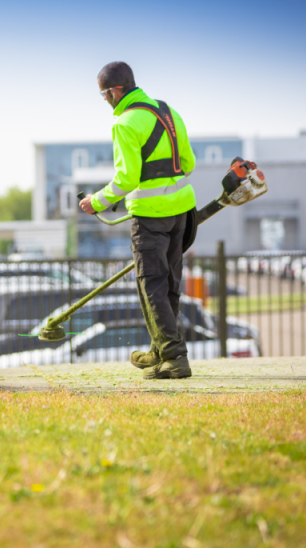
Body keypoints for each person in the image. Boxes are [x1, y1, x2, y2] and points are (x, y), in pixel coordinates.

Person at [79, 61, 197, 379]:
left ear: (116, 90)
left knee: (151, 286)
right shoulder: (168, 112)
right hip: (183, 212)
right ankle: (160, 351)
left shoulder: (125, 123)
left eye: (104, 94)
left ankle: (174, 357)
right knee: (169, 283)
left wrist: (97, 202)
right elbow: (188, 163)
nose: (104, 101)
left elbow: (126, 179)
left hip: (150, 217)